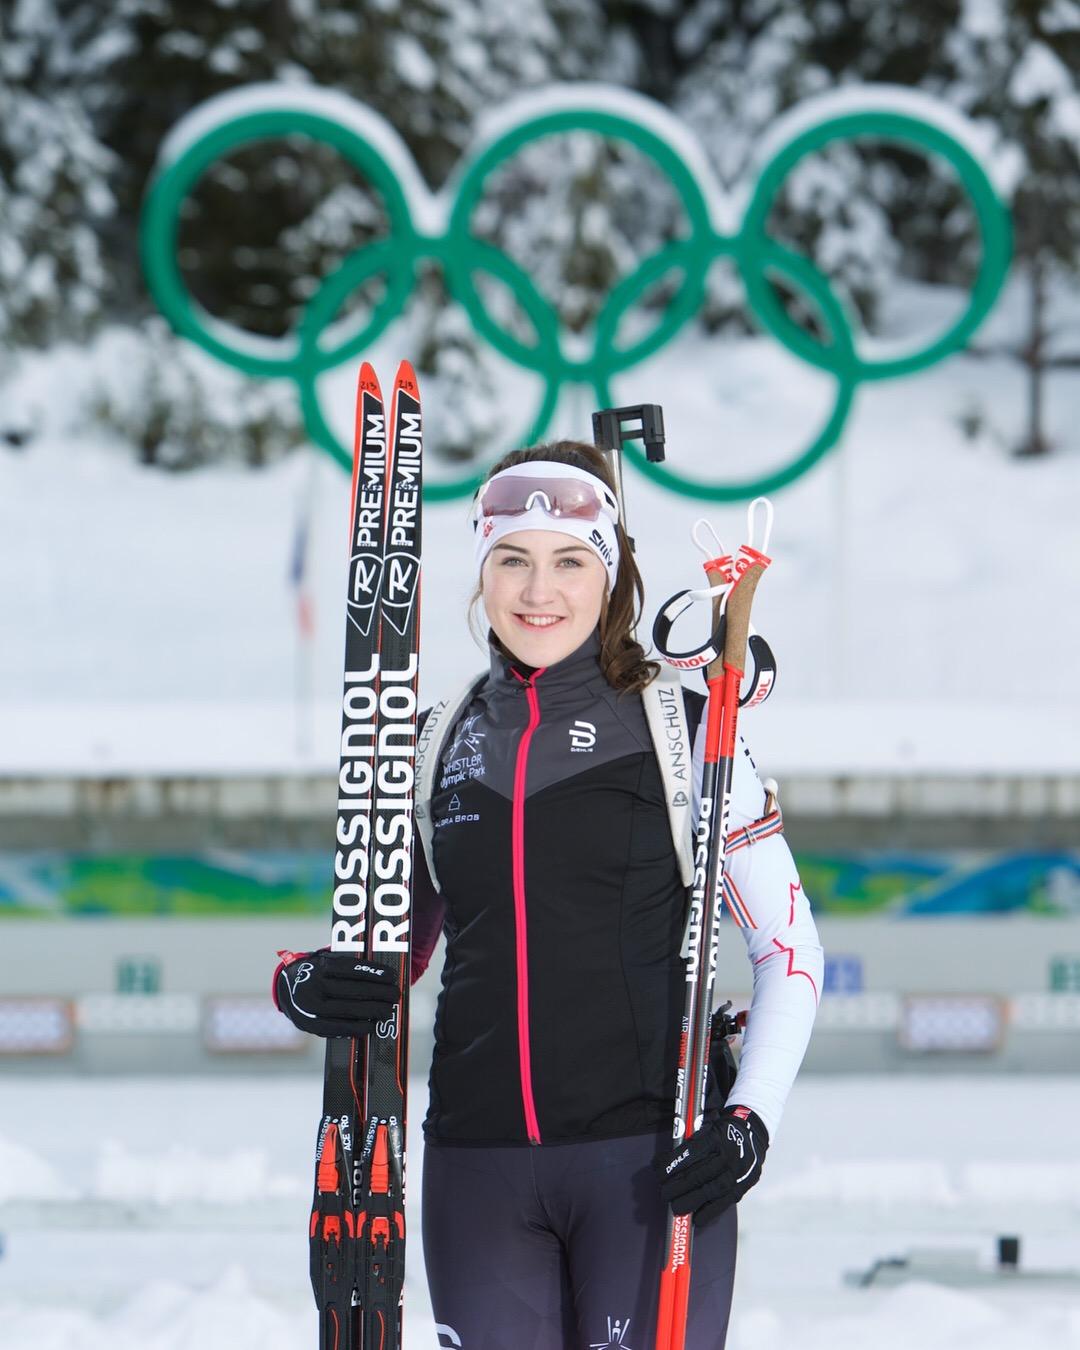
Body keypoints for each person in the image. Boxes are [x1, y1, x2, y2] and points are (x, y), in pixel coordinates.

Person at [275, 440, 823, 1349]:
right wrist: (305, 984)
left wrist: (747, 1122)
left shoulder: (689, 734)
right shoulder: (434, 741)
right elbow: (392, 952)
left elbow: (790, 951)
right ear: (482, 572)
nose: (539, 591)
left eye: (570, 561)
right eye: (512, 560)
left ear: (610, 578)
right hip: (474, 1166)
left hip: (647, 1166)